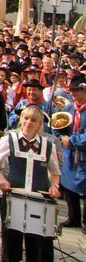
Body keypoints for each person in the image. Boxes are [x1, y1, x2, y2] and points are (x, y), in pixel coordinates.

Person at [0, 105, 62, 262]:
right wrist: (1, 178)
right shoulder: (9, 139)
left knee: (35, 246)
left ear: (40, 124)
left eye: (33, 120)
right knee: (11, 245)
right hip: (13, 198)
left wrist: (54, 186)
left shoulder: (48, 145)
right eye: (26, 118)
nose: (28, 122)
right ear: (21, 119)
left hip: (38, 202)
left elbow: (55, 172)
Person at [58, 77, 86, 232]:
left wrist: (73, 140)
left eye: (76, 91)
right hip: (69, 153)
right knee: (68, 184)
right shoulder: (70, 108)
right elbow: (58, 123)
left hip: (83, 153)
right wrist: (61, 136)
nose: (73, 94)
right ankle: (73, 217)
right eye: (71, 91)